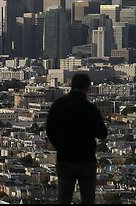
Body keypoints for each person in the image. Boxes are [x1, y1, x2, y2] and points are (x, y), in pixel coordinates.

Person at [46, 73, 108, 204]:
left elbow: (50, 130)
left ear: (70, 85)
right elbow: (102, 133)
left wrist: (60, 146)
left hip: (65, 157)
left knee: (64, 197)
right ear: (88, 87)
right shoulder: (90, 108)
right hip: (86, 158)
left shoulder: (58, 105)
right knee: (87, 197)